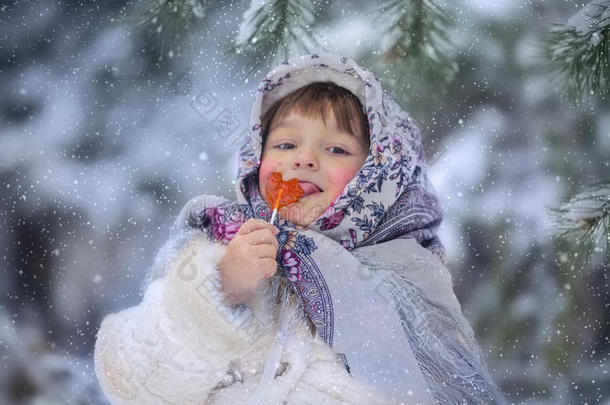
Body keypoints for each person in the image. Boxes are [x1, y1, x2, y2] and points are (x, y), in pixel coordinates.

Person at [94, 53, 505, 404]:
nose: (304, 159)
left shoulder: (406, 276)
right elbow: (135, 383)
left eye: (336, 149)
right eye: (286, 145)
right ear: (256, 158)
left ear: (381, 175)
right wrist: (222, 289)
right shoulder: (217, 244)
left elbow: (446, 386)